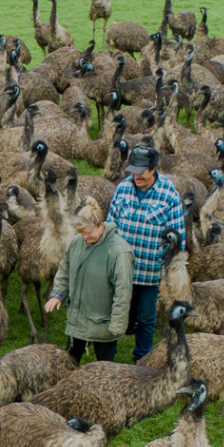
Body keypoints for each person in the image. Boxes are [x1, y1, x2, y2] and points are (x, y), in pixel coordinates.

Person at [108, 145, 186, 362]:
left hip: (149, 271)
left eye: (140, 171)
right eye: (132, 170)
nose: (135, 176)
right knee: (116, 312)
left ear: (153, 169)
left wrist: (170, 272)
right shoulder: (123, 188)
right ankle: (108, 359)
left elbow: (178, 237)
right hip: (121, 269)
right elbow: (110, 224)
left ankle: (141, 360)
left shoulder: (169, 194)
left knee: (146, 317)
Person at [43, 198, 135, 363]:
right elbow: (65, 270)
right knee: (69, 364)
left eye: (88, 233)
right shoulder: (78, 242)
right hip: (79, 320)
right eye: (81, 233)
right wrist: (57, 294)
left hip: (104, 323)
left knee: (104, 370)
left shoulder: (119, 252)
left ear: (100, 225)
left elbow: (123, 291)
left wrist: (118, 323)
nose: (85, 237)